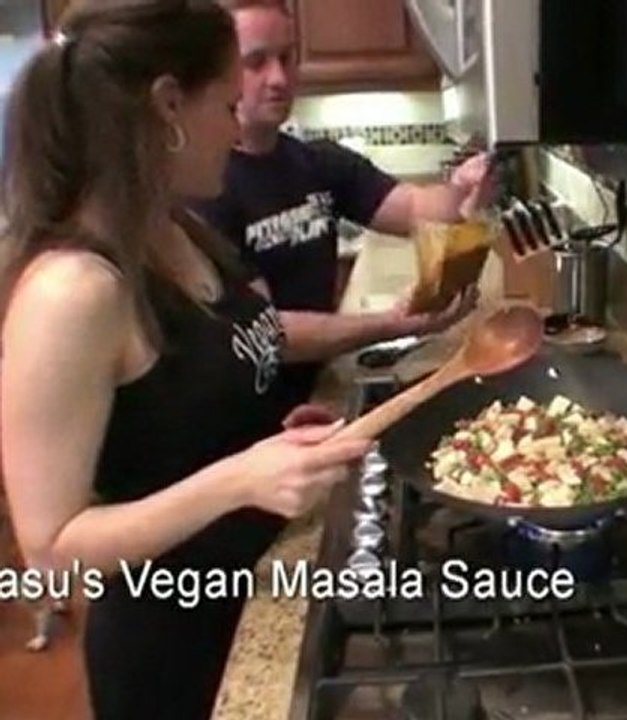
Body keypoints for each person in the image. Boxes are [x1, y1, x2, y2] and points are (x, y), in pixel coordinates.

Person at [0, 2, 372, 718]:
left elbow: (191, 407)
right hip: (172, 645)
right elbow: (50, 551)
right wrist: (238, 480)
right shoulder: (72, 291)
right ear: (169, 105)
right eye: (227, 104)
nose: (238, 131)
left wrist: (273, 436)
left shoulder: (178, 230)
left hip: (255, 595)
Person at [194, 0, 496, 411]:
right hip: (250, 416)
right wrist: (390, 325)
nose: (279, 77)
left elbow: (415, 208)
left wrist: (463, 185)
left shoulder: (318, 162)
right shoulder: (205, 187)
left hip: (315, 388)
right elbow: (269, 333)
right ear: (221, 74)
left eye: (287, 57)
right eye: (256, 62)